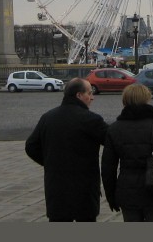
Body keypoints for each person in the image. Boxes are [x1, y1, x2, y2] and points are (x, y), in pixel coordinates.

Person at [25, 77, 108, 221]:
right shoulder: (91, 120)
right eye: (89, 93)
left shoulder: (47, 117)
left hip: (56, 186)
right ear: (79, 95)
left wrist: (50, 162)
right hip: (85, 186)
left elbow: (31, 146)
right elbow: (113, 141)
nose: (92, 97)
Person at [101, 83, 153, 222]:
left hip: (127, 190)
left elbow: (107, 168)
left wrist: (111, 196)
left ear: (125, 101)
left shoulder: (115, 128)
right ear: (146, 99)